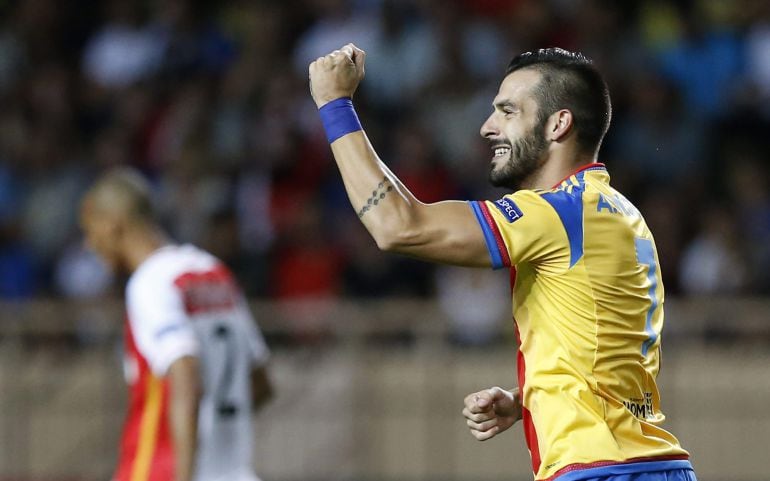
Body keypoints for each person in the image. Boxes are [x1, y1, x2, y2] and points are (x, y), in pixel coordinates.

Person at [308, 44, 697, 481]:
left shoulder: (557, 212)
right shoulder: (619, 211)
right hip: (648, 465)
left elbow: (398, 226)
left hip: (602, 470)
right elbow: (610, 352)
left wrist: (334, 104)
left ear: (558, 124)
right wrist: (534, 396)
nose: (487, 127)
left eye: (507, 112)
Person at [79, 168, 272, 481]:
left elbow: (183, 370)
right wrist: (217, 429)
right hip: (235, 473)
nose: (89, 244)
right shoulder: (213, 271)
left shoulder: (150, 283)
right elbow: (260, 382)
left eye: (89, 230)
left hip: (162, 472)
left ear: (112, 223)